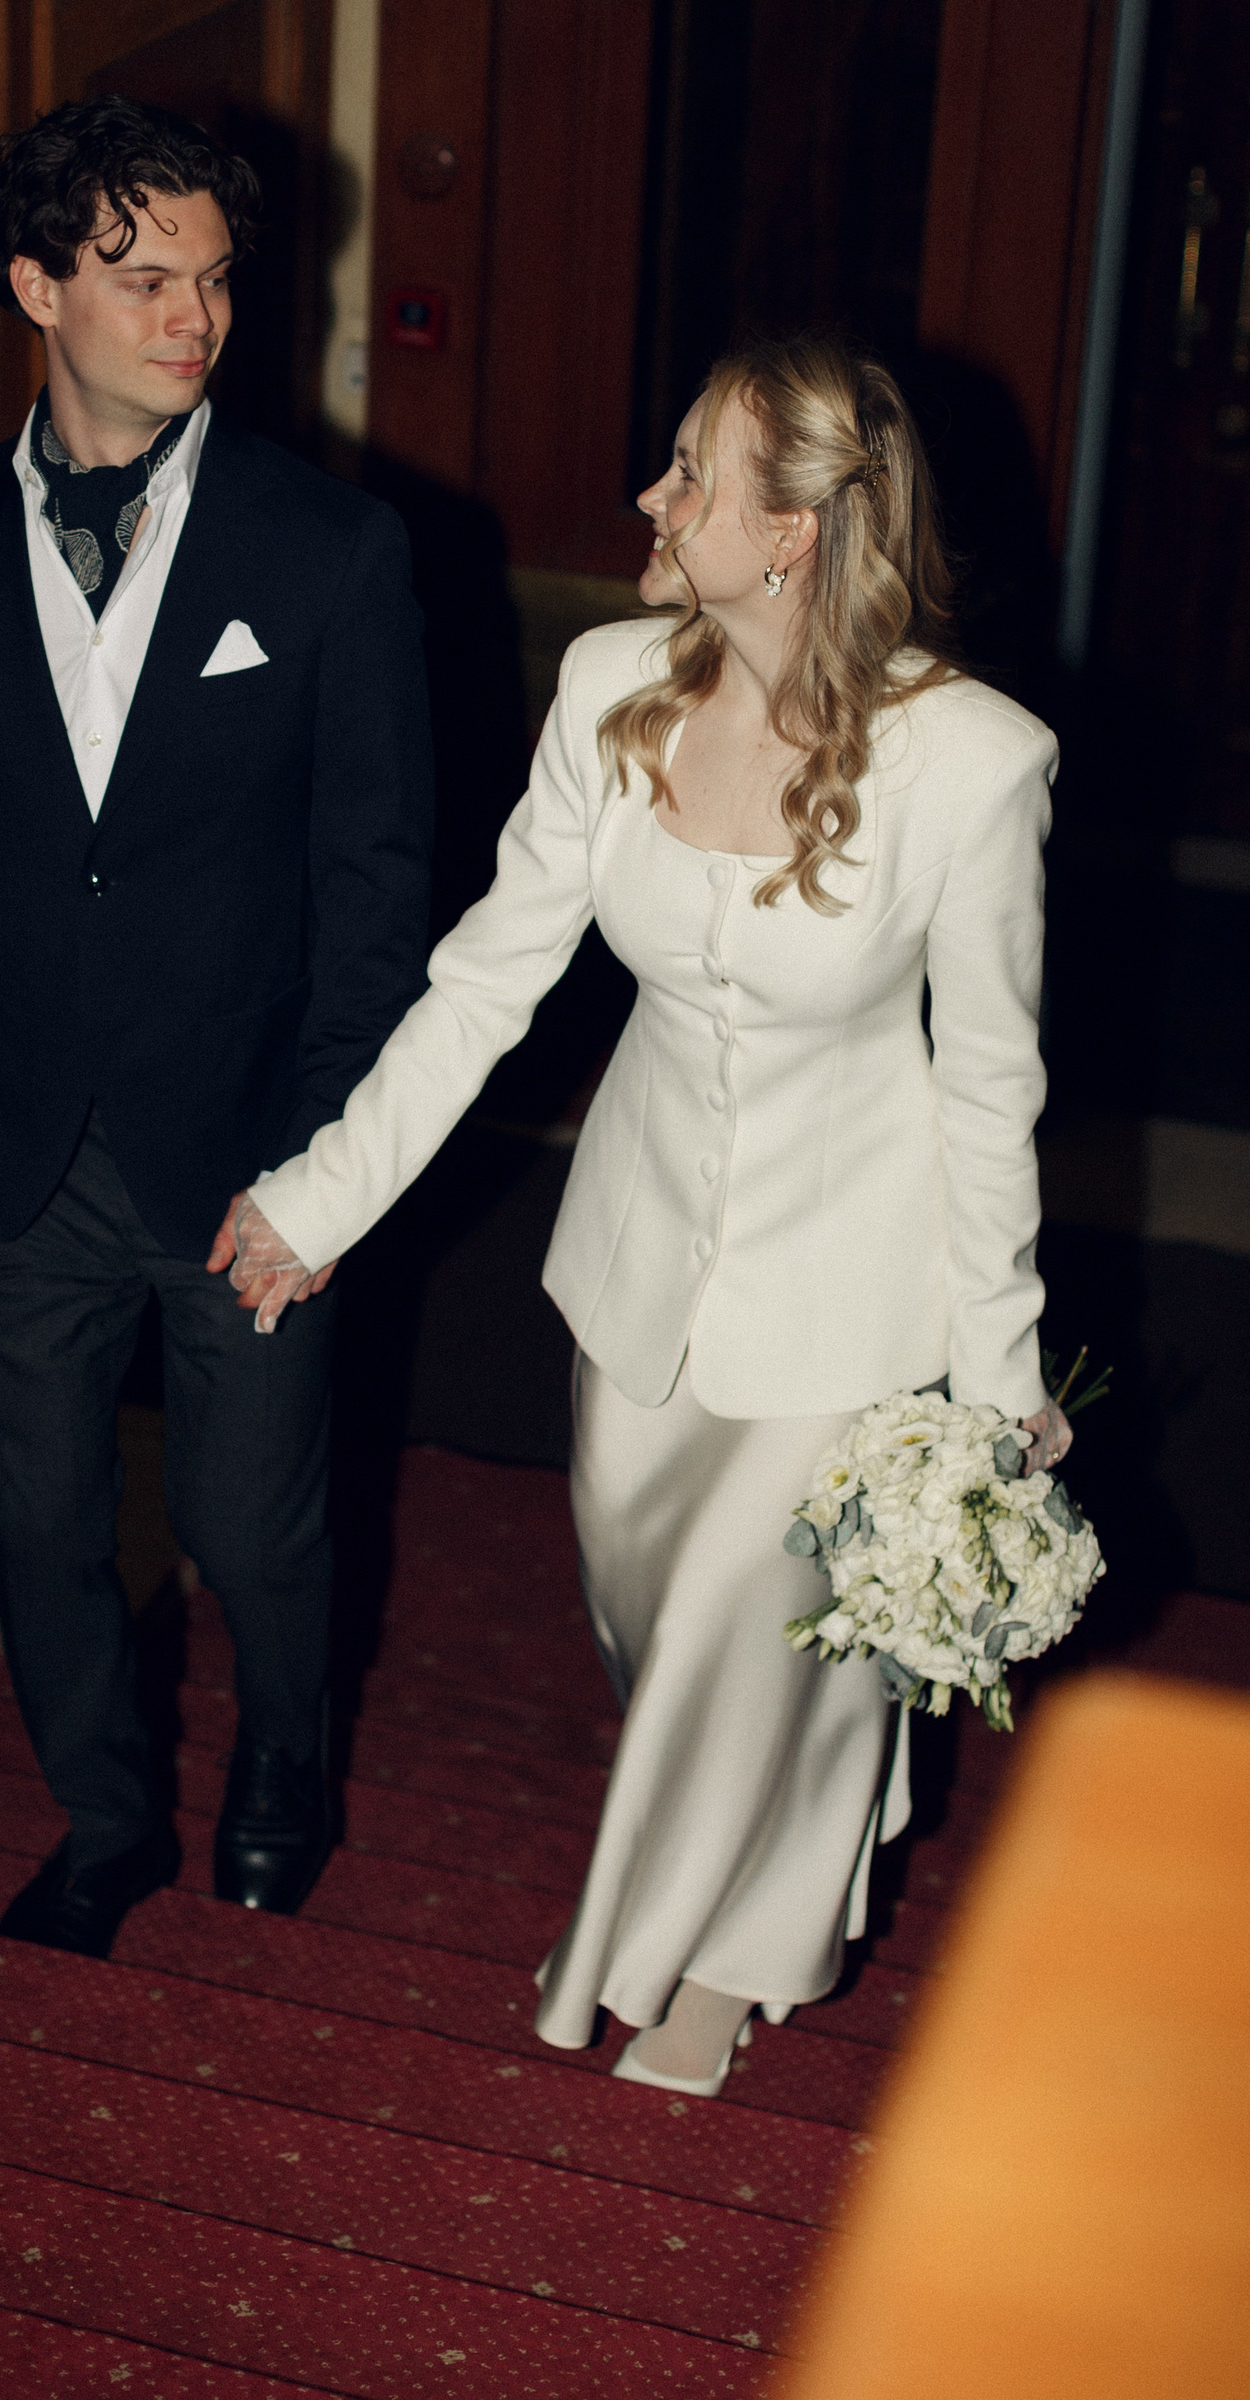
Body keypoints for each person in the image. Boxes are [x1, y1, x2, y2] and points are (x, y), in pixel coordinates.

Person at [211, 334, 1072, 2093]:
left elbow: (990, 1093)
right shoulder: (611, 688)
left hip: (852, 1301)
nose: (650, 498)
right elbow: (485, 983)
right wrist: (322, 1195)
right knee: (652, 1620)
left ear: (794, 534)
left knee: (736, 1635)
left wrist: (998, 1384)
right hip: (637, 1273)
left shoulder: (975, 764)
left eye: (691, 473)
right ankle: (777, 1857)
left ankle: (694, 1967)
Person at [0, 97, 433, 1959]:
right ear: (37, 288)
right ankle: (102, 1819)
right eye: (145, 279)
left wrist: (328, 1169)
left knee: (252, 1533)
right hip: (14, 1138)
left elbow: (376, 899)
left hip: (251, 1150)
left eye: (217, 280)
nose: (197, 318)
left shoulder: (333, 551)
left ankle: (285, 1765)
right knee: (42, 1524)